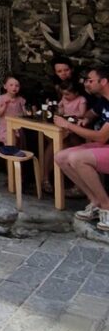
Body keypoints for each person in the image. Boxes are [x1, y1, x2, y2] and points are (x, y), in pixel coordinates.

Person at [54, 67, 109, 229]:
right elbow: (92, 112)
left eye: (90, 80)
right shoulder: (104, 100)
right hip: (105, 147)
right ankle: (96, 201)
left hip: (104, 142)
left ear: (104, 82)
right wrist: (85, 119)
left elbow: (101, 136)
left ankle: (107, 206)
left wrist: (68, 125)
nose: (86, 84)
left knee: (77, 158)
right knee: (61, 157)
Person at [0, 76, 27, 144]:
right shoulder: (1, 98)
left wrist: (27, 112)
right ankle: (10, 152)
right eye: (11, 85)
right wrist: (4, 106)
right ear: (5, 86)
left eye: (17, 85)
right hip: (6, 128)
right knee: (11, 140)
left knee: (22, 141)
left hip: (18, 129)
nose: (14, 87)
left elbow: (25, 113)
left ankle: (16, 152)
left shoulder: (20, 100)